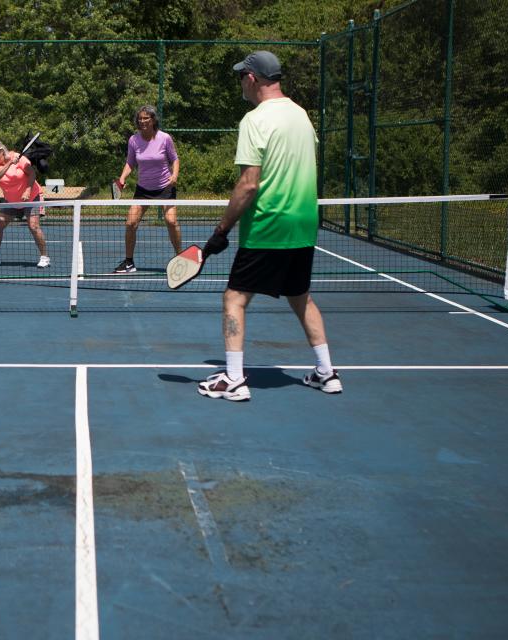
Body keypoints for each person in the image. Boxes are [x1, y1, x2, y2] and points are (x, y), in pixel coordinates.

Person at [198, 51, 342, 402]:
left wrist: (221, 231)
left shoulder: (255, 120)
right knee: (300, 296)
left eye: (241, 78)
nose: (240, 85)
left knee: (234, 298)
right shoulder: (302, 116)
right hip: (304, 222)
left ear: (252, 78)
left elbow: (249, 183)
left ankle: (233, 379)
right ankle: (327, 372)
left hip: (268, 223)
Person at [114, 105, 181, 273]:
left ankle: (181, 259)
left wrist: (174, 176)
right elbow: (130, 162)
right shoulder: (133, 140)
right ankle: (129, 263)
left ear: (153, 120)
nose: (142, 121)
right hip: (143, 189)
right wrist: (122, 178)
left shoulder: (165, 138)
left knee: (171, 222)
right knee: (130, 223)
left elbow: (175, 159)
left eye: (146, 118)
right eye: (140, 118)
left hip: (165, 189)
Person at [0, 138, 50, 269]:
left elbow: (32, 173)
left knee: (33, 226)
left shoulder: (18, 157)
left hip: (32, 197)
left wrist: (28, 189)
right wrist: (10, 163)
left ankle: (44, 257)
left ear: (2, 150)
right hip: (12, 201)